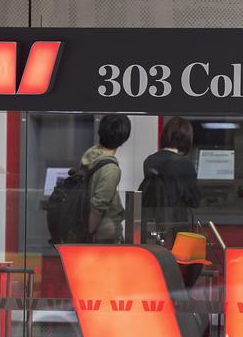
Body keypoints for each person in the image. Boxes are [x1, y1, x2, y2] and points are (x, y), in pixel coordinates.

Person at [143, 116, 202, 286]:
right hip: (176, 229)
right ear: (186, 139)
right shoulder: (184, 164)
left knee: (156, 275)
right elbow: (195, 200)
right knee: (179, 277)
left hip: (153, 227)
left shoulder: (149, 161)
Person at [81, 114, 131, 244]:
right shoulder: (110, 169)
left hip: (92, 230)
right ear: (123, 138)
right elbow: (97, 207)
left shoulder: (91, 154)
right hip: (103, 235)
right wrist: (89, 235)